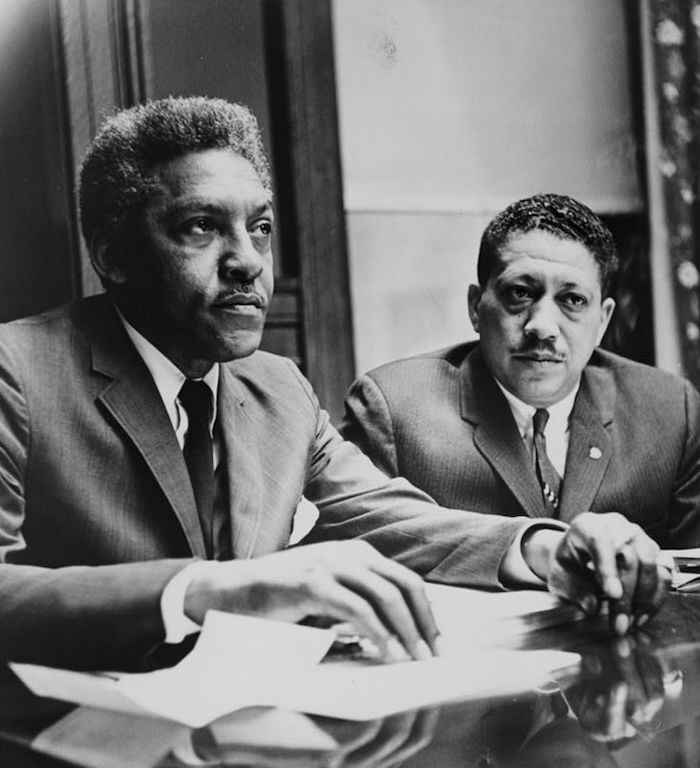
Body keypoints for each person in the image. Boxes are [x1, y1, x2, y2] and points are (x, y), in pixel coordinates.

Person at [0, 102, 669, 673]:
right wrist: (209, 590)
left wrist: (550, 547)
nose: (249, 261)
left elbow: (394, 518)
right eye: (201, 227)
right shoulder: (19, 371)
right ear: (112, 253)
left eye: (260, 227)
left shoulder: (275, 387)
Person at [342, 193, 700, 550]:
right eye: (520, 293)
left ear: (602, 321)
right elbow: (354, 559)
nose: (542, 326)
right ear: (475, 308)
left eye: (572, 300)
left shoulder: (670, 412)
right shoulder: (393, 410)